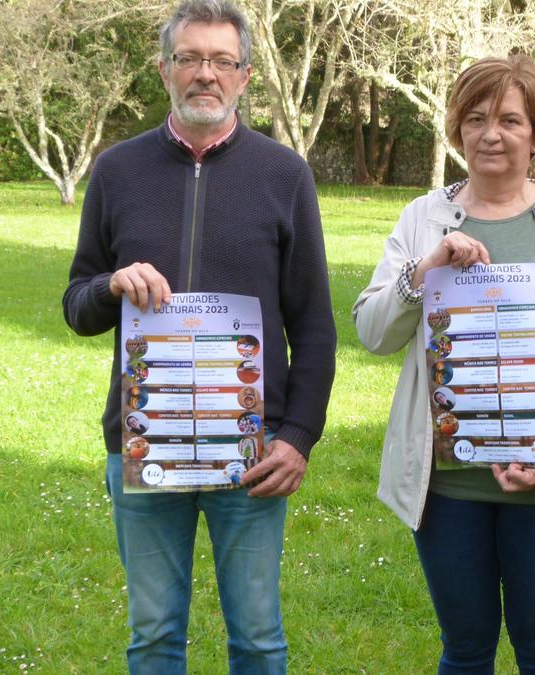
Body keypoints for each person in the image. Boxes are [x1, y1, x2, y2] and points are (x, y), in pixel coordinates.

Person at [61, 1, 336, 671]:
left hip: (251, 449)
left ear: (244, 76)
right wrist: (110, 285)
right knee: (153, 635)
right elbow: (77, 303)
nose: (204, 74)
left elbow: (316, 324)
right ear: (164, 70)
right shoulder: (118, 171)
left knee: (259, 637)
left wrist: (297, 436)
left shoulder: (284, 175)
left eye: (221, 61)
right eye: (190, 58)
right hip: (143, 439)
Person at [353, 55, 535, 674]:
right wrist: (422, 273)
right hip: (448, 485)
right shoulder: (422, 219)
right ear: (456, 129)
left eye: (511, 119)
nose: (491, 134)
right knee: (465, 650)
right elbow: (373, 332)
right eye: (476, 118)